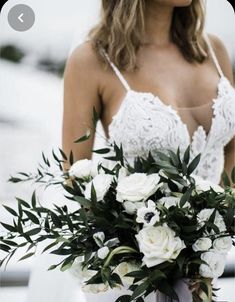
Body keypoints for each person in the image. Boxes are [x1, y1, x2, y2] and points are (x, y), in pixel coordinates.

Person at [61, 0, 235, 301]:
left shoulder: (213, 50)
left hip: (209, 269)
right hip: (134, 278)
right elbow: (76, 177)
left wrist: (212, 233)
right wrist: (146, 248)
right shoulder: (92, 60)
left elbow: (232, 148)